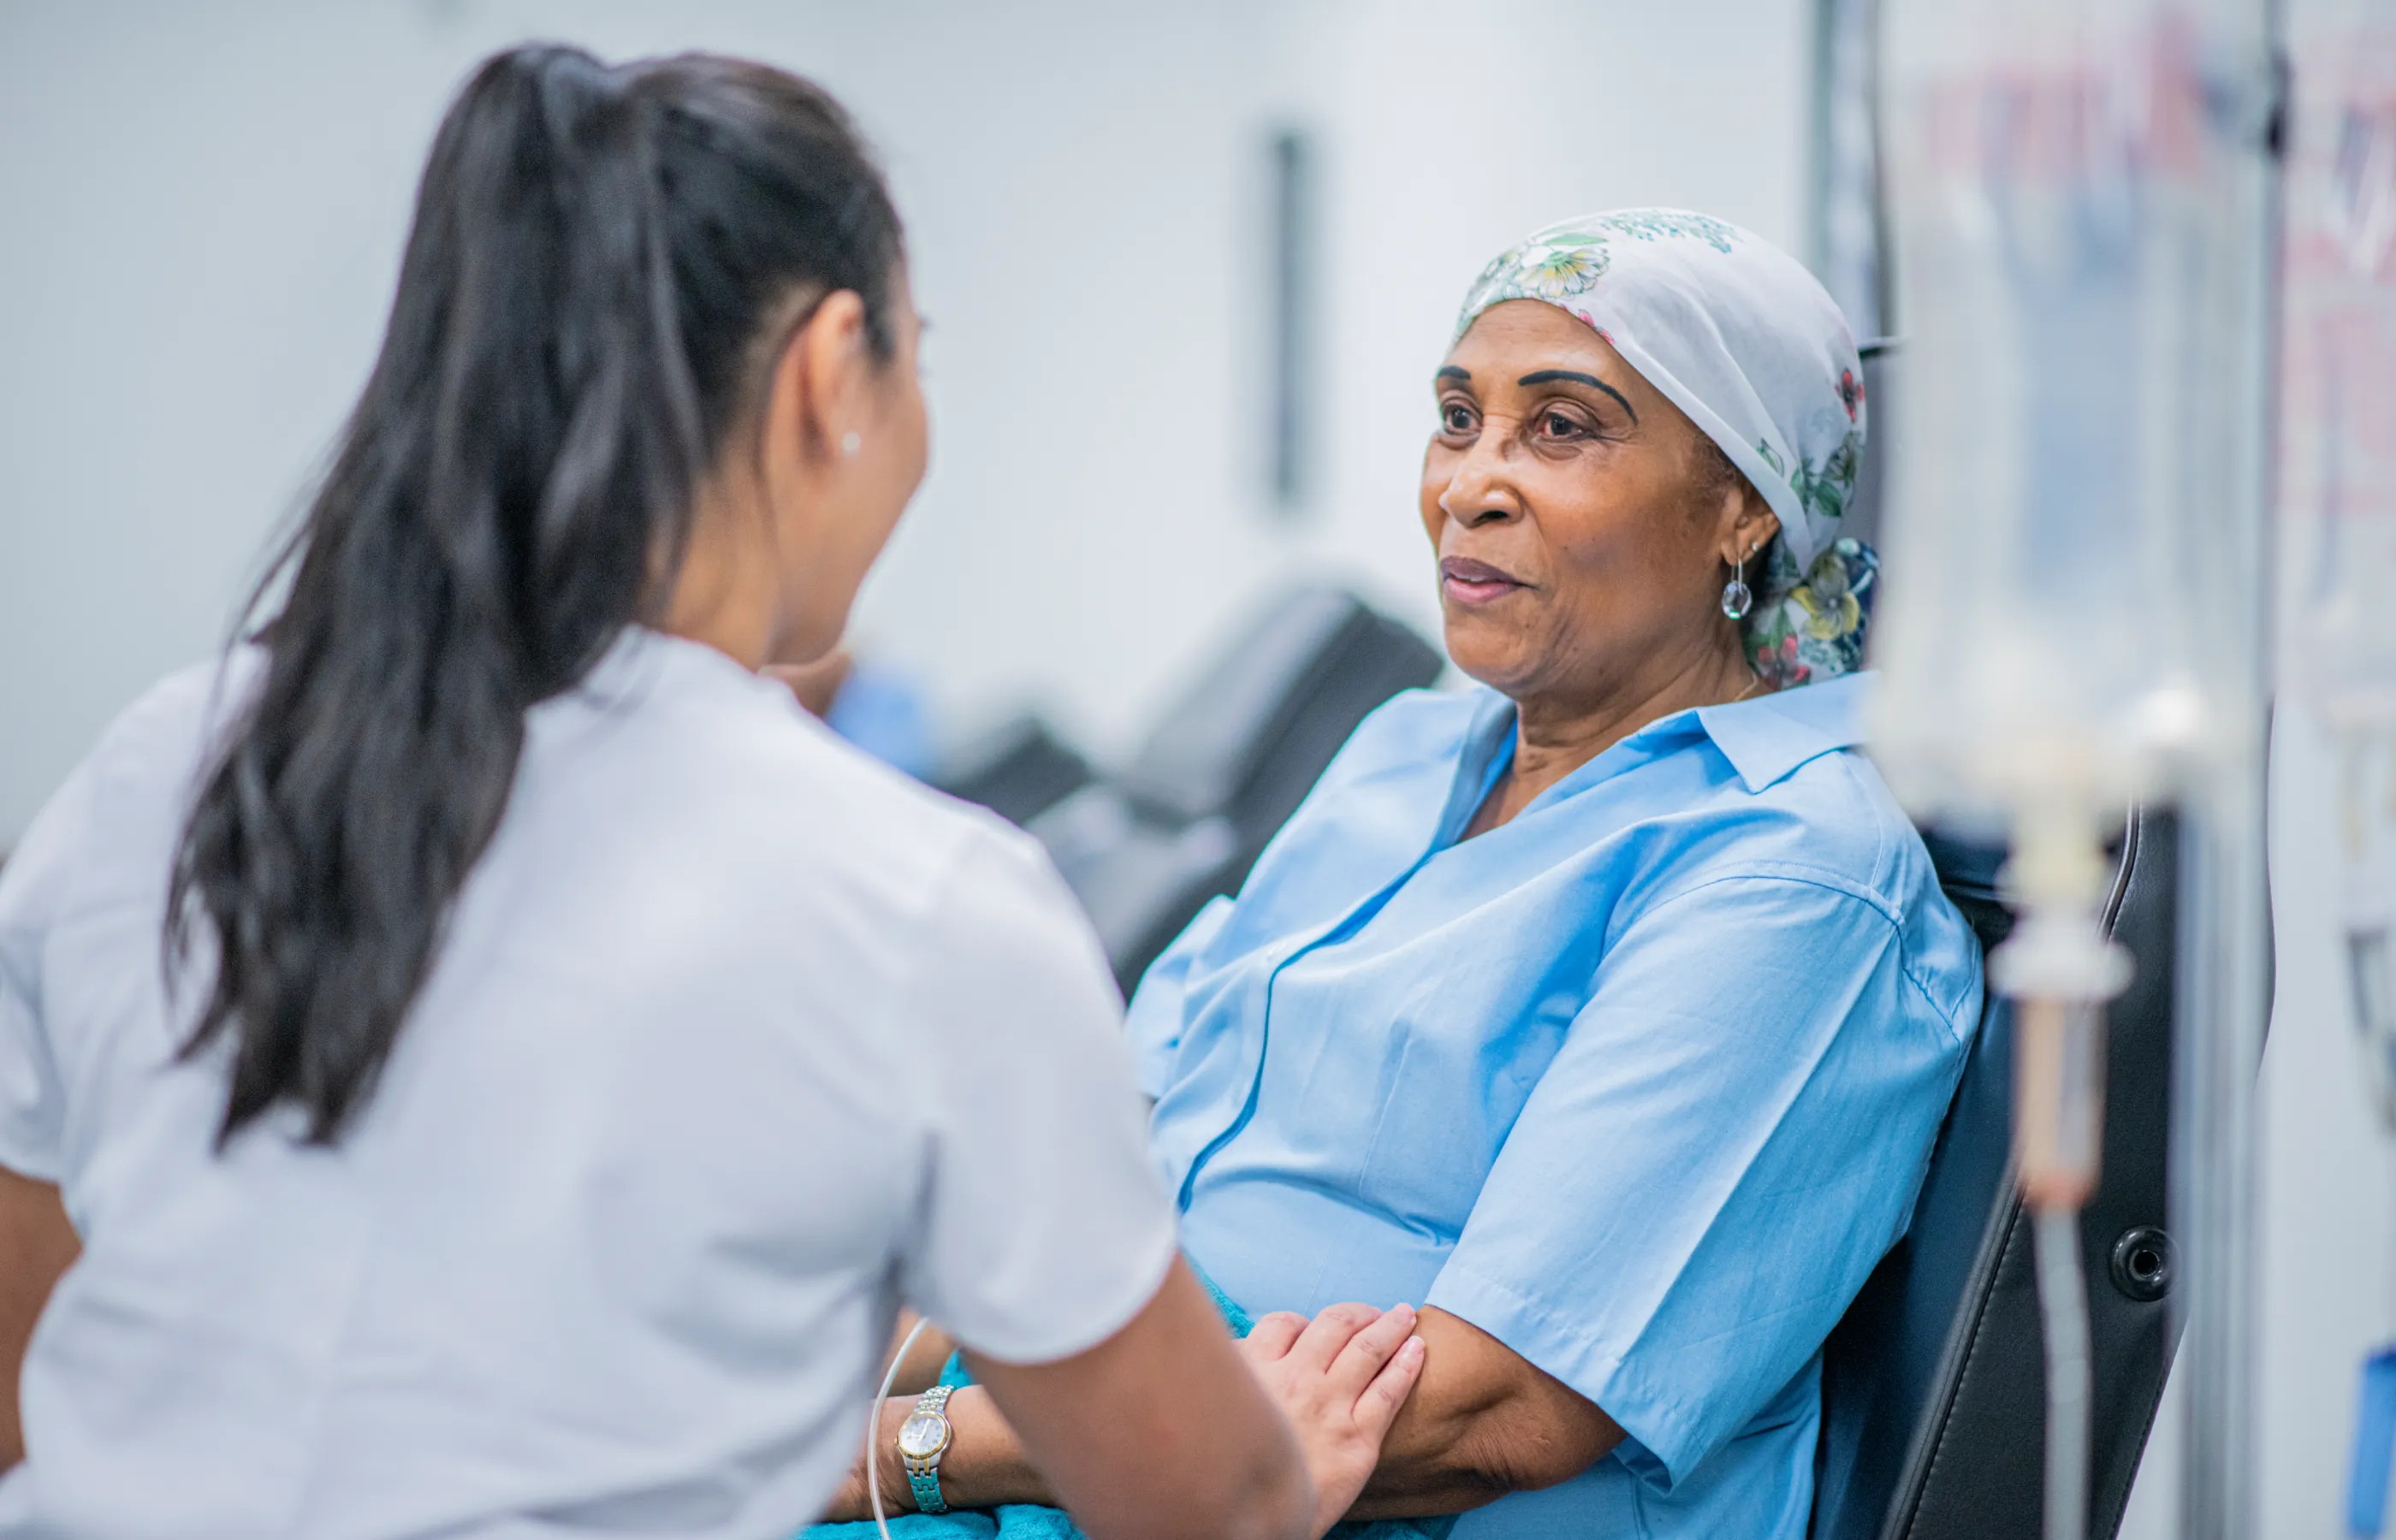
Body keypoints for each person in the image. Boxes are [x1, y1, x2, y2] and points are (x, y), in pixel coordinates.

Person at [0, 46, 1425, 1540]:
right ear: (828, 374)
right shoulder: (921, 904)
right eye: (914, 354)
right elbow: (1215, 1511)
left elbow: (34, 1398)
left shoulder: (157, 767)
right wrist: (1285, 1466)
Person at [816, 210, 1984, 1538]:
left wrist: (906, 1453)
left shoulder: (1795, 877)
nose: (1468, 485)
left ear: (1739, 510)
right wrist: (857, 1402)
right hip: (1104, 1427)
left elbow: (1490, 1416)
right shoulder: (1406, 750)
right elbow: (1103, 1151)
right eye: (1456, 417)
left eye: (1562, 428)